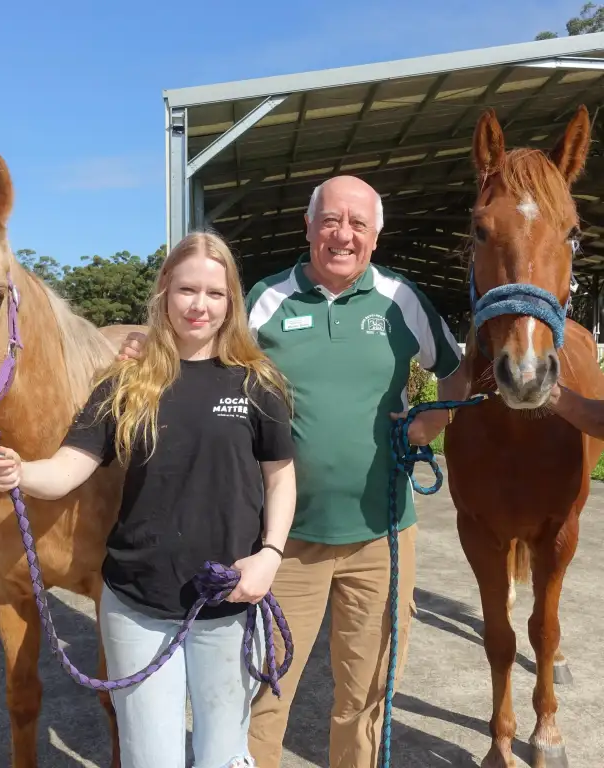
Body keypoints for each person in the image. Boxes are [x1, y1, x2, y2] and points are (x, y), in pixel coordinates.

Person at [117, 175, 470, 767]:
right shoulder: (267, 298)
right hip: (284, 542)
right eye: (330, 220)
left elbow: (456, 371)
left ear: (376, 236)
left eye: (358, 223)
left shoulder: (400, 297)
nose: (343, 234)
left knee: (366, 692)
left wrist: (429, 426)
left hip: (381, 533)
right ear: (309, 228)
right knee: (264, 687)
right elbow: (202, 352)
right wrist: (143, 347)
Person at [0, 232, 297, 768]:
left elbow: (281, 479)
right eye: (186, 290)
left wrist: (270, 555)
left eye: (214, 294)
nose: (199, 305)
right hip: (136, 605)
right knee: (150, 758)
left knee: (223, 755)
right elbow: (68, 469)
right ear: (164, 295)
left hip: (230, 599)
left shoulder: (257, 383)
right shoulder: (126, 384)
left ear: (231, 302)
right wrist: (20, 473)